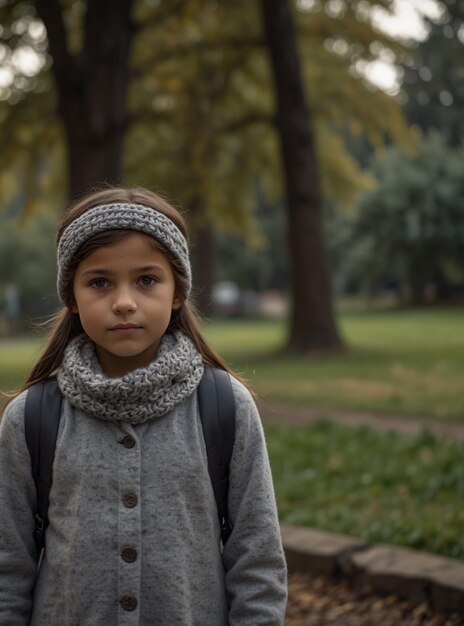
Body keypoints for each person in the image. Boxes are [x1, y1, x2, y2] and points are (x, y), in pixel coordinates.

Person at [0, 186, 287, 625]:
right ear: (72, 298)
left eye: (147, 279)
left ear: (177, 292)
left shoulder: (227, 406)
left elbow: (258, 560)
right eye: (99, 282)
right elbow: (8, 567)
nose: (124, 301)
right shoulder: (31, 418)